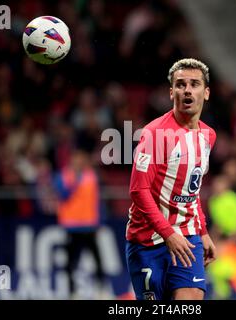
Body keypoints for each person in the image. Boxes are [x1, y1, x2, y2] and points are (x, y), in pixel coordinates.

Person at [125, 58, 217, 300]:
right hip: (148, 242)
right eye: (180, 84)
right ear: (171, 92)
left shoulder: (209, 135)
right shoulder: (155, 134)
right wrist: (168, 233)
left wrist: (203, 231)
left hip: (187, 237)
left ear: (206, 93)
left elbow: (191, 189)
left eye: (195, 84)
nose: (187, 90)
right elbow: (138, 190)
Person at [53, 149, 106, 299]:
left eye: (81, 159)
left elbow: (96, 200)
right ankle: (72, 292)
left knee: (98, 260)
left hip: (89, 226)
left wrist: (100, 220)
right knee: (71, 261)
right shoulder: (63, 176)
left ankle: (101, 290)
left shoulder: (91, 175)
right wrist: (75, 180)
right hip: (72, 227)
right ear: (71, 160)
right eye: (76, 159)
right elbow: (63, 195)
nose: (79, 162)